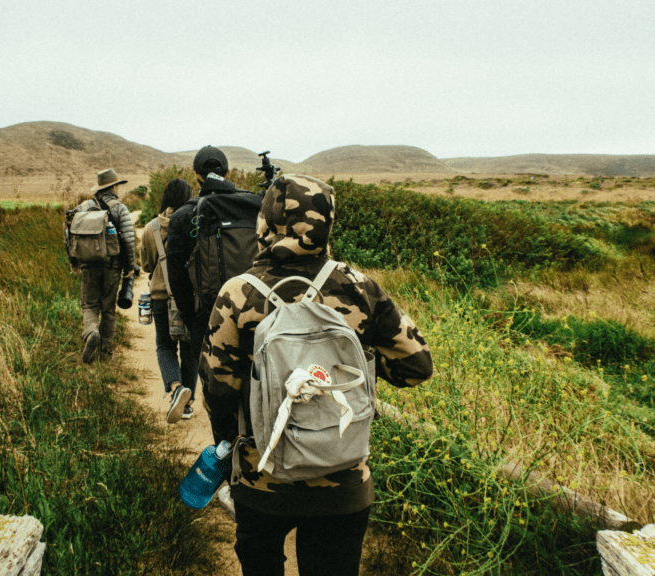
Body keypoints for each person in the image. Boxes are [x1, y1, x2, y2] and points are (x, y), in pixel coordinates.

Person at [199, 174, 434, 576]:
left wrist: (230, 447)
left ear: (266, 223)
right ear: (327, 223)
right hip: (344, 481)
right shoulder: (360, 287)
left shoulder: (238, 292)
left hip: (262, 482)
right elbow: (417, 367)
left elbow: (218, 388)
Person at [165, 145, 262, 425]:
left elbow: (177, 280)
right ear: (227, 173)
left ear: (196, 176)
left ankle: (225, 452)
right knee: (256, 384)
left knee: (217, 396)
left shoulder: (183, 216)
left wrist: (192, 317)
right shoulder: (253, 206)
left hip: (207, 317)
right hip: (255, 310)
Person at [137, 178, 200, 422]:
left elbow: (145, 265)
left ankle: (176, 389)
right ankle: (188, 404)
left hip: (161, 296)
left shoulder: (150, 228)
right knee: (190, 349)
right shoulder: (195, 223)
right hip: (190, 295)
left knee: (165, 345)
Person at [75, 168, 136, 363]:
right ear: (114, 187)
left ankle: (91, 331)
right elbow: (128, 241)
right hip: (112, 266)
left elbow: (70, 235)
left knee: (89, 304)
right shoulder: (120, 208)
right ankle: (105, 352)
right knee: (108, 309)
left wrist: (74, 262)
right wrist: (130, 267)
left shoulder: (83, 207)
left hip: (88, 265)